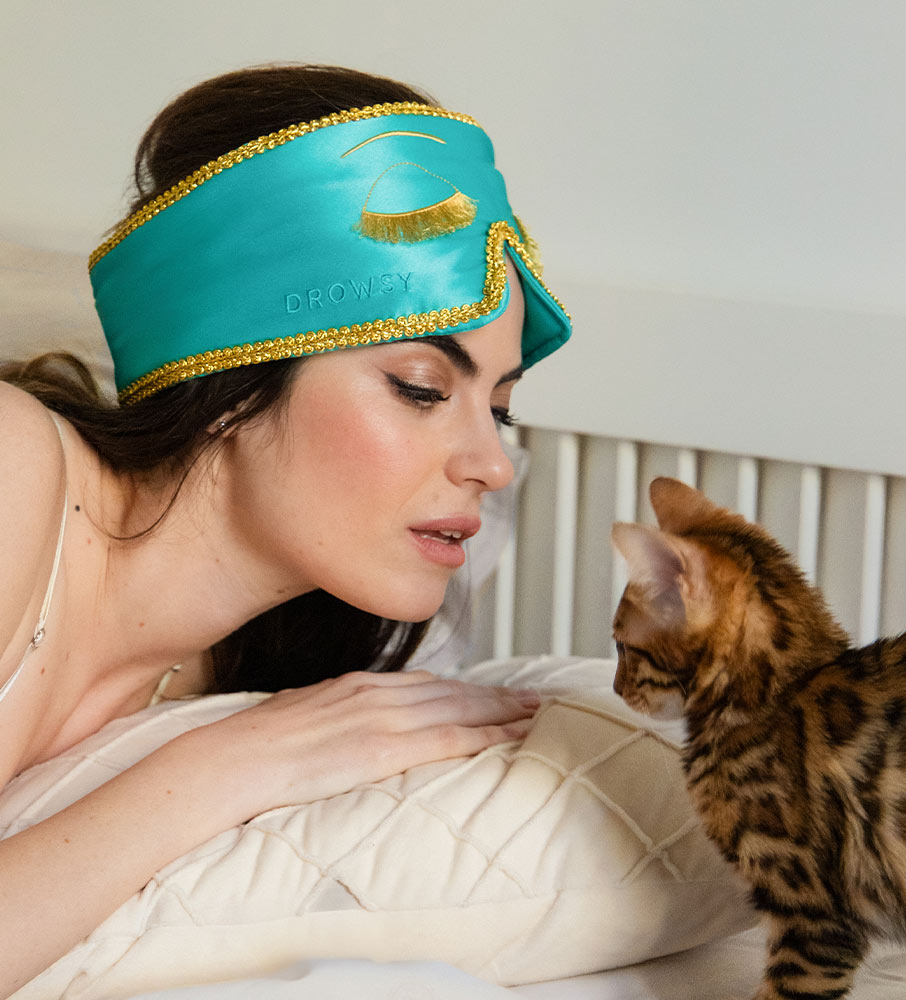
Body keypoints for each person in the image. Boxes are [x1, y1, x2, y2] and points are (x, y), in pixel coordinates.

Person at [0, 64, 571, 995]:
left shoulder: (271, 658)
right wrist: (227, 768)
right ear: (227, 384)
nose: (492, 465)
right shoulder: (13, 470)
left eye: (499, 408)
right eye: (422, 389)